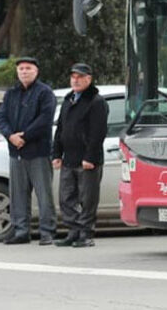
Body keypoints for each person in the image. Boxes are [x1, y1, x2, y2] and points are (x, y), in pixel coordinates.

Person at [0, 57, 57, 245]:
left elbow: (45, 119)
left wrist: (25, 136)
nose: (24, 71)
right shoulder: (11, 94)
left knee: (44, 195)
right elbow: (2, 118)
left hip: (38, 151)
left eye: (28, 68)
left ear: (36, 71)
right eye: (21, 68)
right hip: (16, 152)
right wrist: (11, 136)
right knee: (18, 195)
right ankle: (21, 230)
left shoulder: (45, 93)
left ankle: (47, 231)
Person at [52, 63, 109, 248]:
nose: (75, 80)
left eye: (79, 77)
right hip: (69, 158)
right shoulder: (69, 99)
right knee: (66, 197)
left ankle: (86, 233)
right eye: (73, 77)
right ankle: (73, 231)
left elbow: (98, 132)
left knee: (87, 198)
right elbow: (60, 128)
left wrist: (90, 157)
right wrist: (56, 153)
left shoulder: (96, 101)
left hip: (87, 160)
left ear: (88, 79)